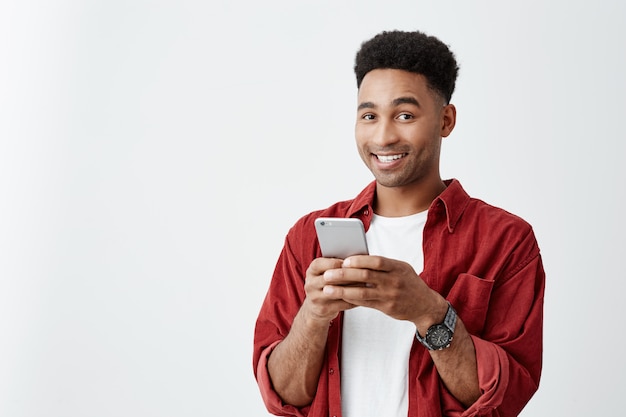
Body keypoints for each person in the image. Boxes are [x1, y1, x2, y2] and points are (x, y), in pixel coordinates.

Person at [253, 30, 545, 417]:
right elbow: (283, 396)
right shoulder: (306, 237)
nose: (384, 136)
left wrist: (427, 311)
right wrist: (314, 314)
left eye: (405, 115)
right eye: (369, 116)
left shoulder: (507, 240)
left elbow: (504, 399)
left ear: (446, 120)